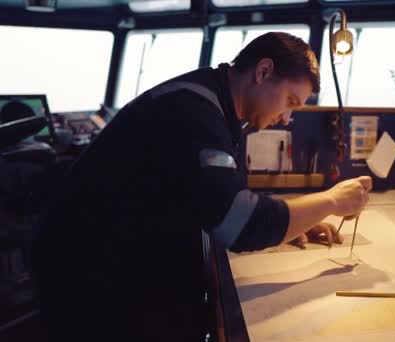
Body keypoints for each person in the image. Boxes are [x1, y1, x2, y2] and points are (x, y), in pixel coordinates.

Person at [33, 32, 371, 341]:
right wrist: (330, 201)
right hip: (90, 274)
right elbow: (241, 224)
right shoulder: (193, 114)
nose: (287, 118)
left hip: (120, 253)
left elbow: (226, 199)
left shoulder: (214, 102)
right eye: (291, 101)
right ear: (264, 71)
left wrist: (294, 222)